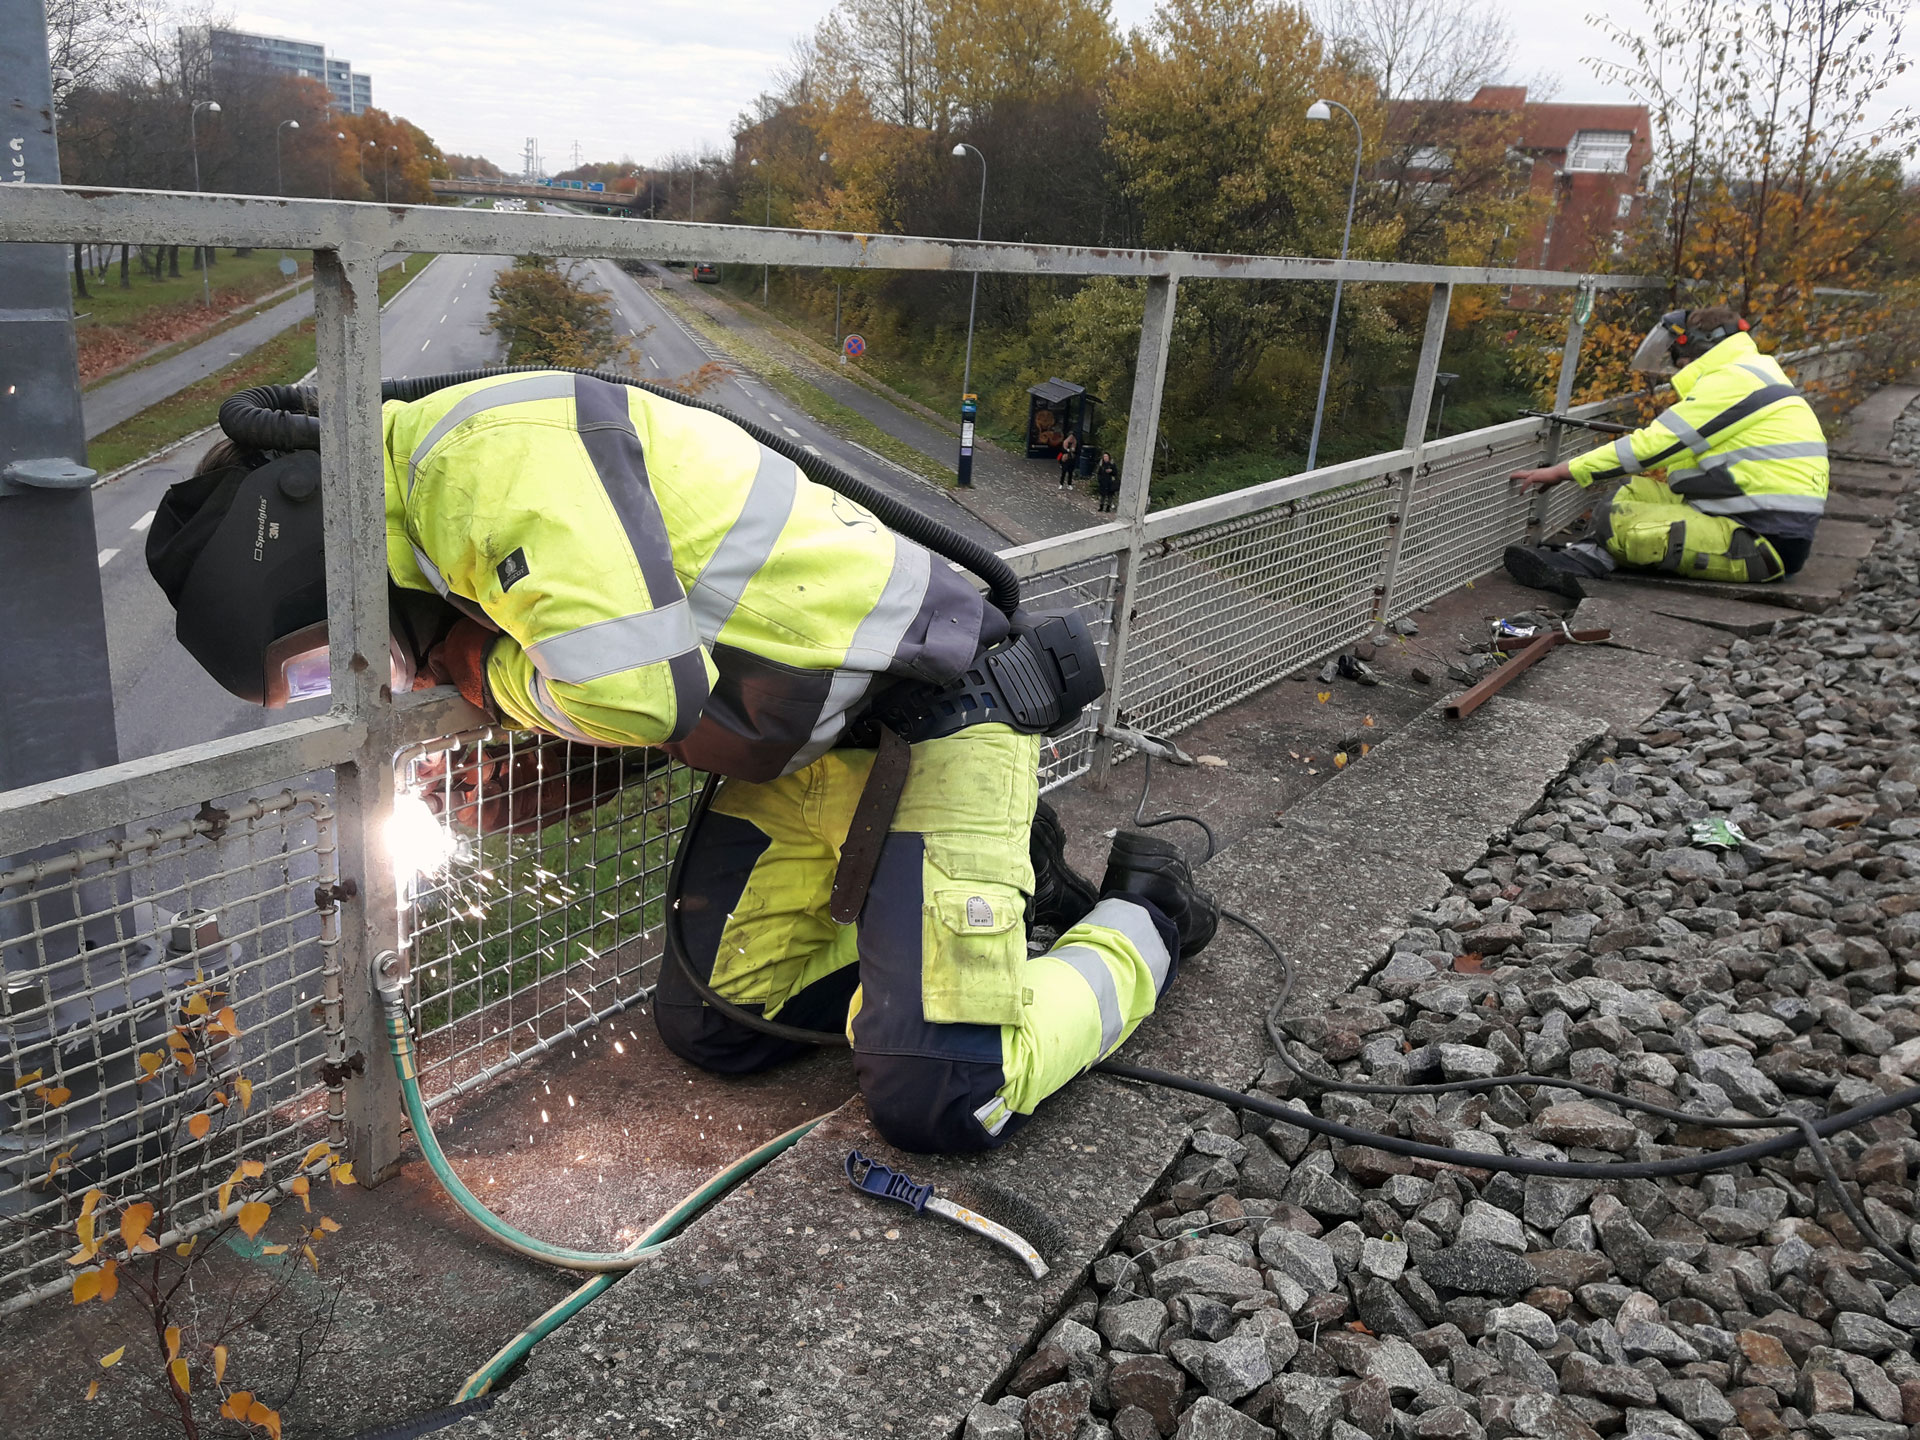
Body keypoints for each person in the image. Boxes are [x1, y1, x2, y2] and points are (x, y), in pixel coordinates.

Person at [145, 369, 1217, 1155]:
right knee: (720, 1024)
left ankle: (1147, 916)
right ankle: (951, 960)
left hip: (944, 713)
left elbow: (635, 693)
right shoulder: (428, 518)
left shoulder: (475, 468)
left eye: (341, 659)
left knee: (943, 1096)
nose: (381, 684)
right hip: (810, 752)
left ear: (310, 558)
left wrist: (476, 671)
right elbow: (631, 710)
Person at [1504, 305, 1828, 599]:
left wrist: (1563, 471)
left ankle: (1581, 564)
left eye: (1678, 357)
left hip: (1761, 544)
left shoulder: (1732, 381)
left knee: (1617, 522)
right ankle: (1585, 557)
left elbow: (1653, 446)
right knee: (1634, 493)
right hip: (1754, 523)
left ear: (1699, 347)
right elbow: (1680, 460)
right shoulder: (1750, 371)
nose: (1676, 366)